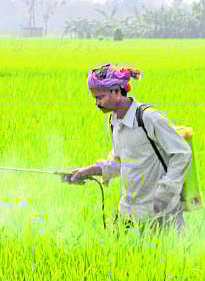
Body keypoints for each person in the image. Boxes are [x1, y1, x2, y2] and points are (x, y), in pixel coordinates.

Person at [68, 64, 192, 232]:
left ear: (116, 91)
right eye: (95, 98)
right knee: (123, 248)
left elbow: (182, 153)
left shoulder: (148, 118)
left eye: (100, 97)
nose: (97, 103)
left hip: (161, 212)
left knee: (164, 249)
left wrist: (166, 192)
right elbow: (119, 163)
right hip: (129, 212)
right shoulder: (114, 122)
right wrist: (88, 171)